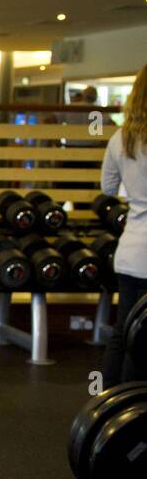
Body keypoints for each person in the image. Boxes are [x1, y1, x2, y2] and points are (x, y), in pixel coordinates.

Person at [99, 65, 147, 386]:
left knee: (123, 332)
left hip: (131, 251)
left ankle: (109, 410)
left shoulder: (121, 138)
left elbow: (108, 188)